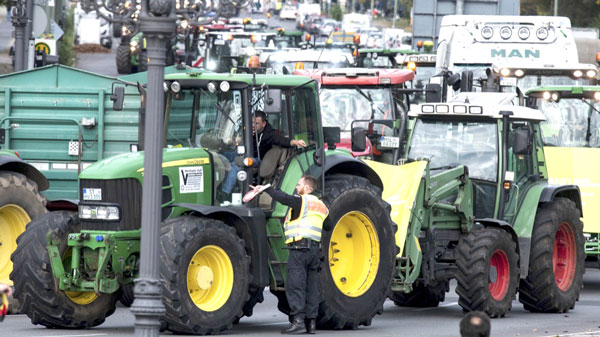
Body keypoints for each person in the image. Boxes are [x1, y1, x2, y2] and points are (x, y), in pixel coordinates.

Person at [250, 175, 329, 334]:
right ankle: (311, 323)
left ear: (307, 188)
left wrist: (266, 189)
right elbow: (329, 225)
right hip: (314, 251)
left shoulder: (302, 201)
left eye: (299, 184)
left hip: (300, 250)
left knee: (296, 286)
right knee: (312, 287)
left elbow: (284, 198)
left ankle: (298, 321)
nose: (296, 187)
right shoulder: (322, 206)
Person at [220, 110, 306, 197]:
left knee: (235, 166)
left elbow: (282, 140)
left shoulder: (269, 135)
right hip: (244, 154)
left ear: (264, 124)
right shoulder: (248, 131)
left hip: (257, 159)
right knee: (222, 155)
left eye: (256, 123)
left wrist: (296, 142)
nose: (253, 126)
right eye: (252, 123)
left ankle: (224, 193)